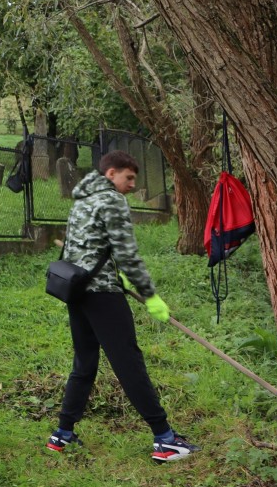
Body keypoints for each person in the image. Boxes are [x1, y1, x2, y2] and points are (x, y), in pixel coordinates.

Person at [47, 150, 199, 463]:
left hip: (77, 291)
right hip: (102, 294)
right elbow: (126, 252)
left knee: (84, 363)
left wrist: (116, 275)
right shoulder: (112, 200)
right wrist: (149, 294)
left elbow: (85, 246)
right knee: (129, 363)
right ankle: (165, 439)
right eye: (128, 178)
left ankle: (62, 434)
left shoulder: (82, 200)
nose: (132, 185)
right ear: (111, 173)